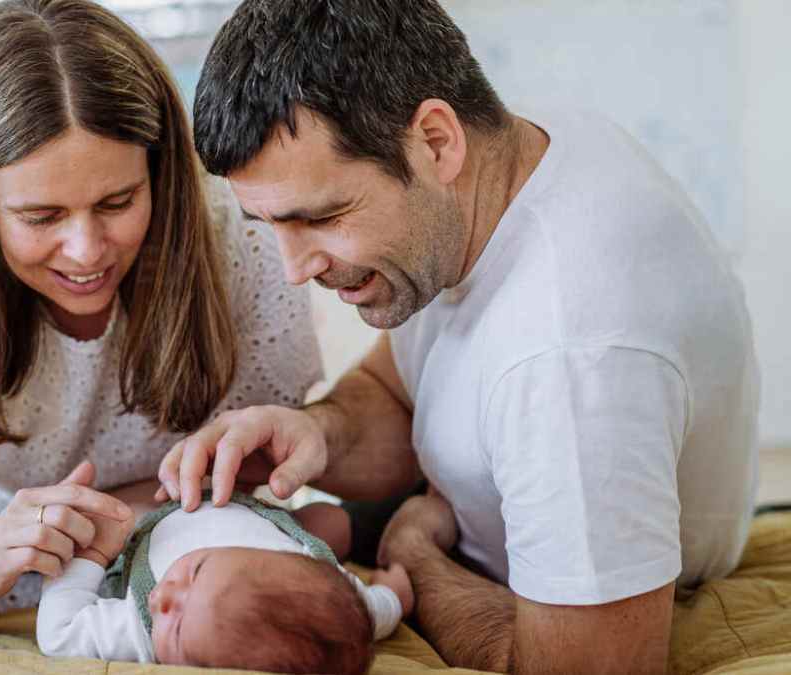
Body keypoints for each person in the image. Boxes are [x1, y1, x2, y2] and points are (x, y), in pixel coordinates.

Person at [161, 1, 760, 673]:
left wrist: (414, 552)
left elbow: (583, 668)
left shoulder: (571, 356)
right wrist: (318, 433)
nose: (295, 268)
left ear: (436, 141)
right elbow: (399, 389)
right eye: (270, 224)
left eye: (322, 217)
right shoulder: (515, 154)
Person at [0, 0, 321, 643]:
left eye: (118, 201)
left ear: (158, 169)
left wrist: (104, 520)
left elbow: (257, 493)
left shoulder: (249, 251)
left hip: (192, 570)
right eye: (41, 217)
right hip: (16, 556)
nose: (87, 252)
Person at [36, 488, 411, 674]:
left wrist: (91, 556)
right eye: (196, 571)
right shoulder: (329, 591)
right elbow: (377, 609)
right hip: (254, 510)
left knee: (116, 514)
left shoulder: (139, 630)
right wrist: (394, 590)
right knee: (326, 517)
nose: (165, 596)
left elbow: (60, 634)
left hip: (149, 521)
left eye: (176, 631)